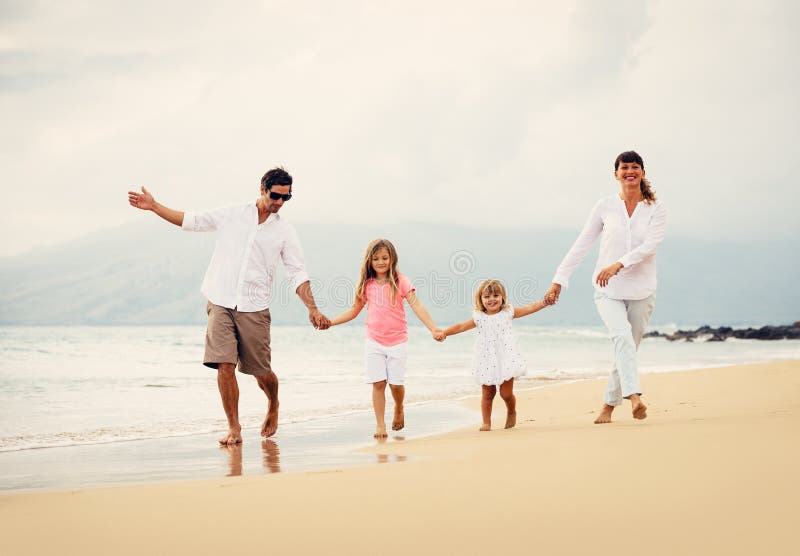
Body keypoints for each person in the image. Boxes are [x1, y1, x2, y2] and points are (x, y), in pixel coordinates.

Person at [128, 167, 330, 444]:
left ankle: (273, 404)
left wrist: (312, 308)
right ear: (262, 188)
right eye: (275, 195)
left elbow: (297, 272)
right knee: (224, 365)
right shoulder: (232, 214)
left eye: (286, 197)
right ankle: (234, 428)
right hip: (220, 299)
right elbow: (192, 220)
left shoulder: (284, 231)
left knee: (261, 372)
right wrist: (154, 207)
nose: (280, 202)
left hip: (254, 307)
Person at [544, 151, 666, 424]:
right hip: (607, 290)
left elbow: (650, 247)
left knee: (626, 349)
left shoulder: (655, 209)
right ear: (616, 174)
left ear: (643, 173)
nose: (630, 171)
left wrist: (618, 264)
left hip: (642, 290)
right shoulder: (605, 206)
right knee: (621, 339)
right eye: (625, 167)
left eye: (635, 167)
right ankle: (634, 397)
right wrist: (559, 279)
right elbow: (583, 243)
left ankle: (607, 407)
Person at [326, 238, 441, 438]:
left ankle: (398, 406)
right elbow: (354, 311)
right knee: (378, 383)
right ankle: (380, 425)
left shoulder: (400, 281)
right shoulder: (366, 284)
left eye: (385, 258)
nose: (380, 262)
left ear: (392, 259)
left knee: (395, 384)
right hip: (374, 341)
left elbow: (417, 306)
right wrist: (331, 322)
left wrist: (433, 329)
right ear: (369, 261)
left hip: (397, 341)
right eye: (376, 258)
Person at [437, 279, 549, 431]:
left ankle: (511, 410)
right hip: (486, 358)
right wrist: (445, 333)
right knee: (488, 393)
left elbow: (530, 308)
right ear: (481, 300)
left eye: (496, 295)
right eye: (487, 297)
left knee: (506, 394)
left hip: (506, 357)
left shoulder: (508, 312)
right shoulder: (478, 317)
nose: (491, 300)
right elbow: (461, 326)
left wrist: (544, 302)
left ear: (502, 297)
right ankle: (486, 422)